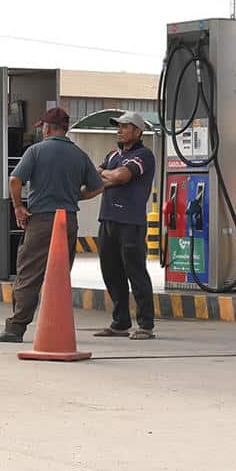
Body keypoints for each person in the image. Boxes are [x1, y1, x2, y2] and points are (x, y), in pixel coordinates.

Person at [0, 107, 103, 343]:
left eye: (42, 127)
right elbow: (96, 187)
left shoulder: (36, 151)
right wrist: (75, 196)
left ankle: (15, 328)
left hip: (41, 220)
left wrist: (18, 207)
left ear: (47, 128)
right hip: (68, 220)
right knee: (59, 275)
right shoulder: (80, 155)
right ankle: (55, 325)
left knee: (30, 272)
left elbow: (15, 179)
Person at [94, 110, 157, 340]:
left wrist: (106, 176)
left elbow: (121, 176)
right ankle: (120, 322)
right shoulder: (113, 155)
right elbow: (95, 176)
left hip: (130, 222)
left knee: (135, 271)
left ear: (137, 131)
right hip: (108, 219)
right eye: (118, 127)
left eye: (125, 126)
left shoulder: (144, 155)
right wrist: (106, 175)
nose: (119, 131)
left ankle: (146, 324)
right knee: (111, 272)